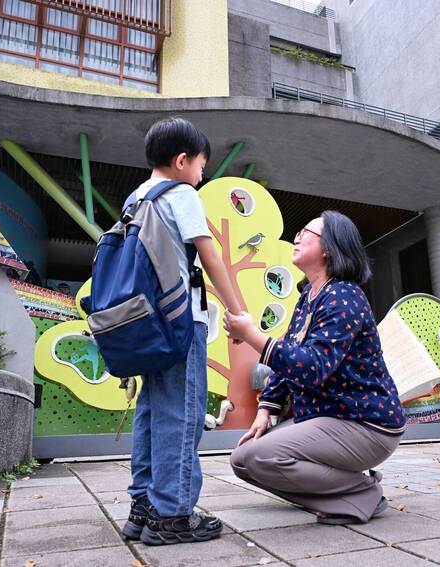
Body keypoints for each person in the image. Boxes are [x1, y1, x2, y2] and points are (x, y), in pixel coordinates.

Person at [223, 211, 406, 525]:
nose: (296, 237)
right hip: (325, 418)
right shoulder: (309, 296)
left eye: (305, 231)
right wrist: (267, 407)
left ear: (328, 248)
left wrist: (253, 337)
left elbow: (313, 367)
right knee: (242, 461)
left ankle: (362, 491)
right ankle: (346, 497)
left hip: (365, 424)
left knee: (262, 457)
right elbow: (291, 355)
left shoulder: (345, 297)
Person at [122, 117, 243, 546]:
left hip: (143, 323)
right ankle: (173, 515)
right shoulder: (181, 194)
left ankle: (143, 507)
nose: (202, 175)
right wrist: (239, 311)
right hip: (178, 322)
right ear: (181, 160)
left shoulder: (134, 198)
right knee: (183, 413)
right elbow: (210, 260)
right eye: (201, 167)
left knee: (152, 410)